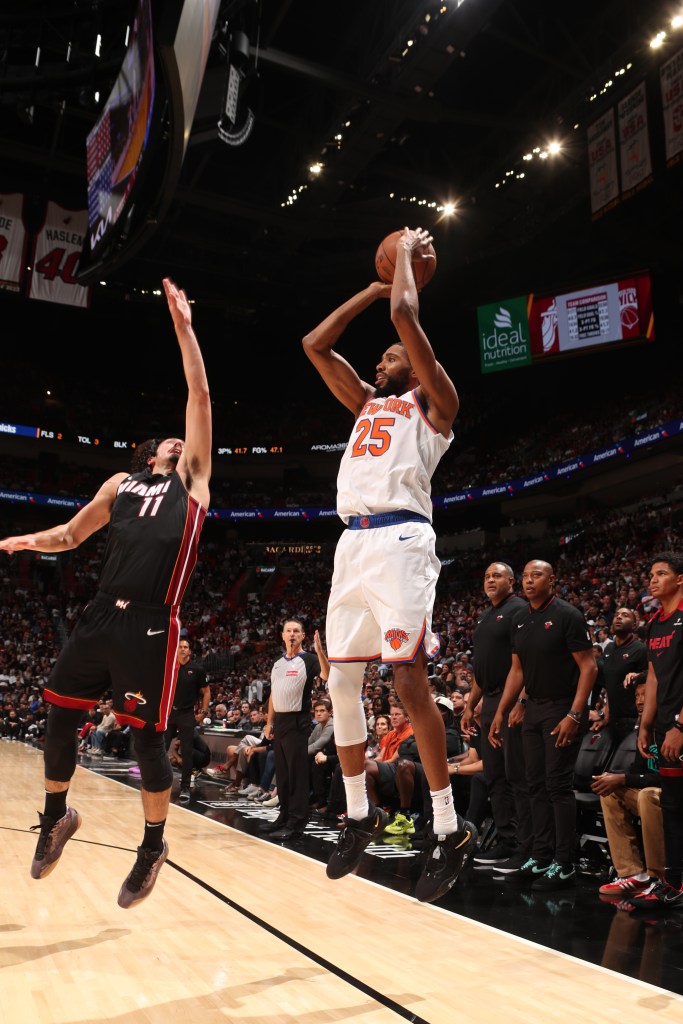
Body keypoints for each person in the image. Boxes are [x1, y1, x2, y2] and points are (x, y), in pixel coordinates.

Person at [0, 277, 212, 908]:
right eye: (170, 441)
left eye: (183, 439)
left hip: (151, 621)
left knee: (147, 737)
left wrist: (183, 328)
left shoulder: (194, 482)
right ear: (151, 454)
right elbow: (69, 534)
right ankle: (56, 815)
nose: (180, 441)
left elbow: (198, 395)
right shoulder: (122, 483)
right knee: (58, 717)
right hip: (98, 616)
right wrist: (20, 542)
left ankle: (153, 845)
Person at [303, 226, 475, 903]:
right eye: (380, 355)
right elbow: (314, 344)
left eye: (394, 353)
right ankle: (356, 813)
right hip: (351, 545)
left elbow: (406, 315)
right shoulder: (364, 404)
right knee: (341, 685)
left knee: (406, 679)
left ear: (419, 361)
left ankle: (446, 824)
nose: (384, 355)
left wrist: (402, 257)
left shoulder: (434, 403)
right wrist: (372, 286)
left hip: (402, 541)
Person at [489, 559, 597, 890]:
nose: (529, 581)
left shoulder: (568, 615)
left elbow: (589, 667)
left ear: (553, 580)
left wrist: (574, 715)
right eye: (525, 576)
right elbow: (518, 671)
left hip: (562, 708)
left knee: (557, 785)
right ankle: (541, 854)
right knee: (532, 782)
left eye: (537, 575)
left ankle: (564, 864)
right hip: (533, 708)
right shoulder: (521, 618)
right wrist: (505, 708)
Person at [462, 561, 531, 873]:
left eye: (497, 575)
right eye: (487, 575)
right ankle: (506, 840)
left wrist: (518, 702)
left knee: (515, 776)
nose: (490, 579)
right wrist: (469, 705)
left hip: (511, 699)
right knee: (494, 776)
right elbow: (481, 669)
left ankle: (524, 846)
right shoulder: (486, 616)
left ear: (511, 581)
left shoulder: (519, 609)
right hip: (489, 700)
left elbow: (526, 662)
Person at [627, 552, 683, 912]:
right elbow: (656, 679)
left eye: (662, 573)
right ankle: (673, 883)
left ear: (680, 580)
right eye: (651, 573)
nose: (653, 579)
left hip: (679, 726)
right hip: (665, 727)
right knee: (674, 807)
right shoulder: (654, 625)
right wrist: (646, 726)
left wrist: (680, 724)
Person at [594, 678, 664, 899]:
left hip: (672, 794)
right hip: (655, 792)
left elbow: (670, 779)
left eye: (646, 695)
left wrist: (624, 778)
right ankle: (633, 874)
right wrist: (616, 779)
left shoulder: (671, 727)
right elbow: (637, 770)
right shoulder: (644, 724)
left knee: (647, 795)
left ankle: (659, 877)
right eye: (637, 696)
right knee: (610, 792)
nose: (641, 701)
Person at [259, 622, 329, 841]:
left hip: (297, 721)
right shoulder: (278, 663)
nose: (292, 634)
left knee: (297, 775)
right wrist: (269, 723)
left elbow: (327, 676)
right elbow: (273, 695)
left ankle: (297, 822)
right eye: (288, 631)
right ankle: (284, 816)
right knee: (284, 774)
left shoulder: (308, 660)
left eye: (296, 631)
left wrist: (319, 651)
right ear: (282, 635)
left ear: (302, 636)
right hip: (279, 722)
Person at [591, 607, 647, 742]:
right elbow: (610, 685)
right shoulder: (609, 649)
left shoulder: (640, 650)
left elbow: (647, 686)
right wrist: (605, 716)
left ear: (634, 626)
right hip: (613, 719)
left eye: (625, 615)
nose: (619, 617)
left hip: (633, 719)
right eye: (616, 614)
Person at [165, 637, 210, 803]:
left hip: (186, 714)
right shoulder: (168, 667)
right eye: (180, 647)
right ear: (176, 650)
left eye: (186, 647)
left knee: (187, 750)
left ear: (189, 651)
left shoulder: (197, 669)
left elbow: (206, 692)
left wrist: (203, 712)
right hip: (169, 713)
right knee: (161, 746)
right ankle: (160, 781)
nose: (183, 649)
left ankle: (185, 787)